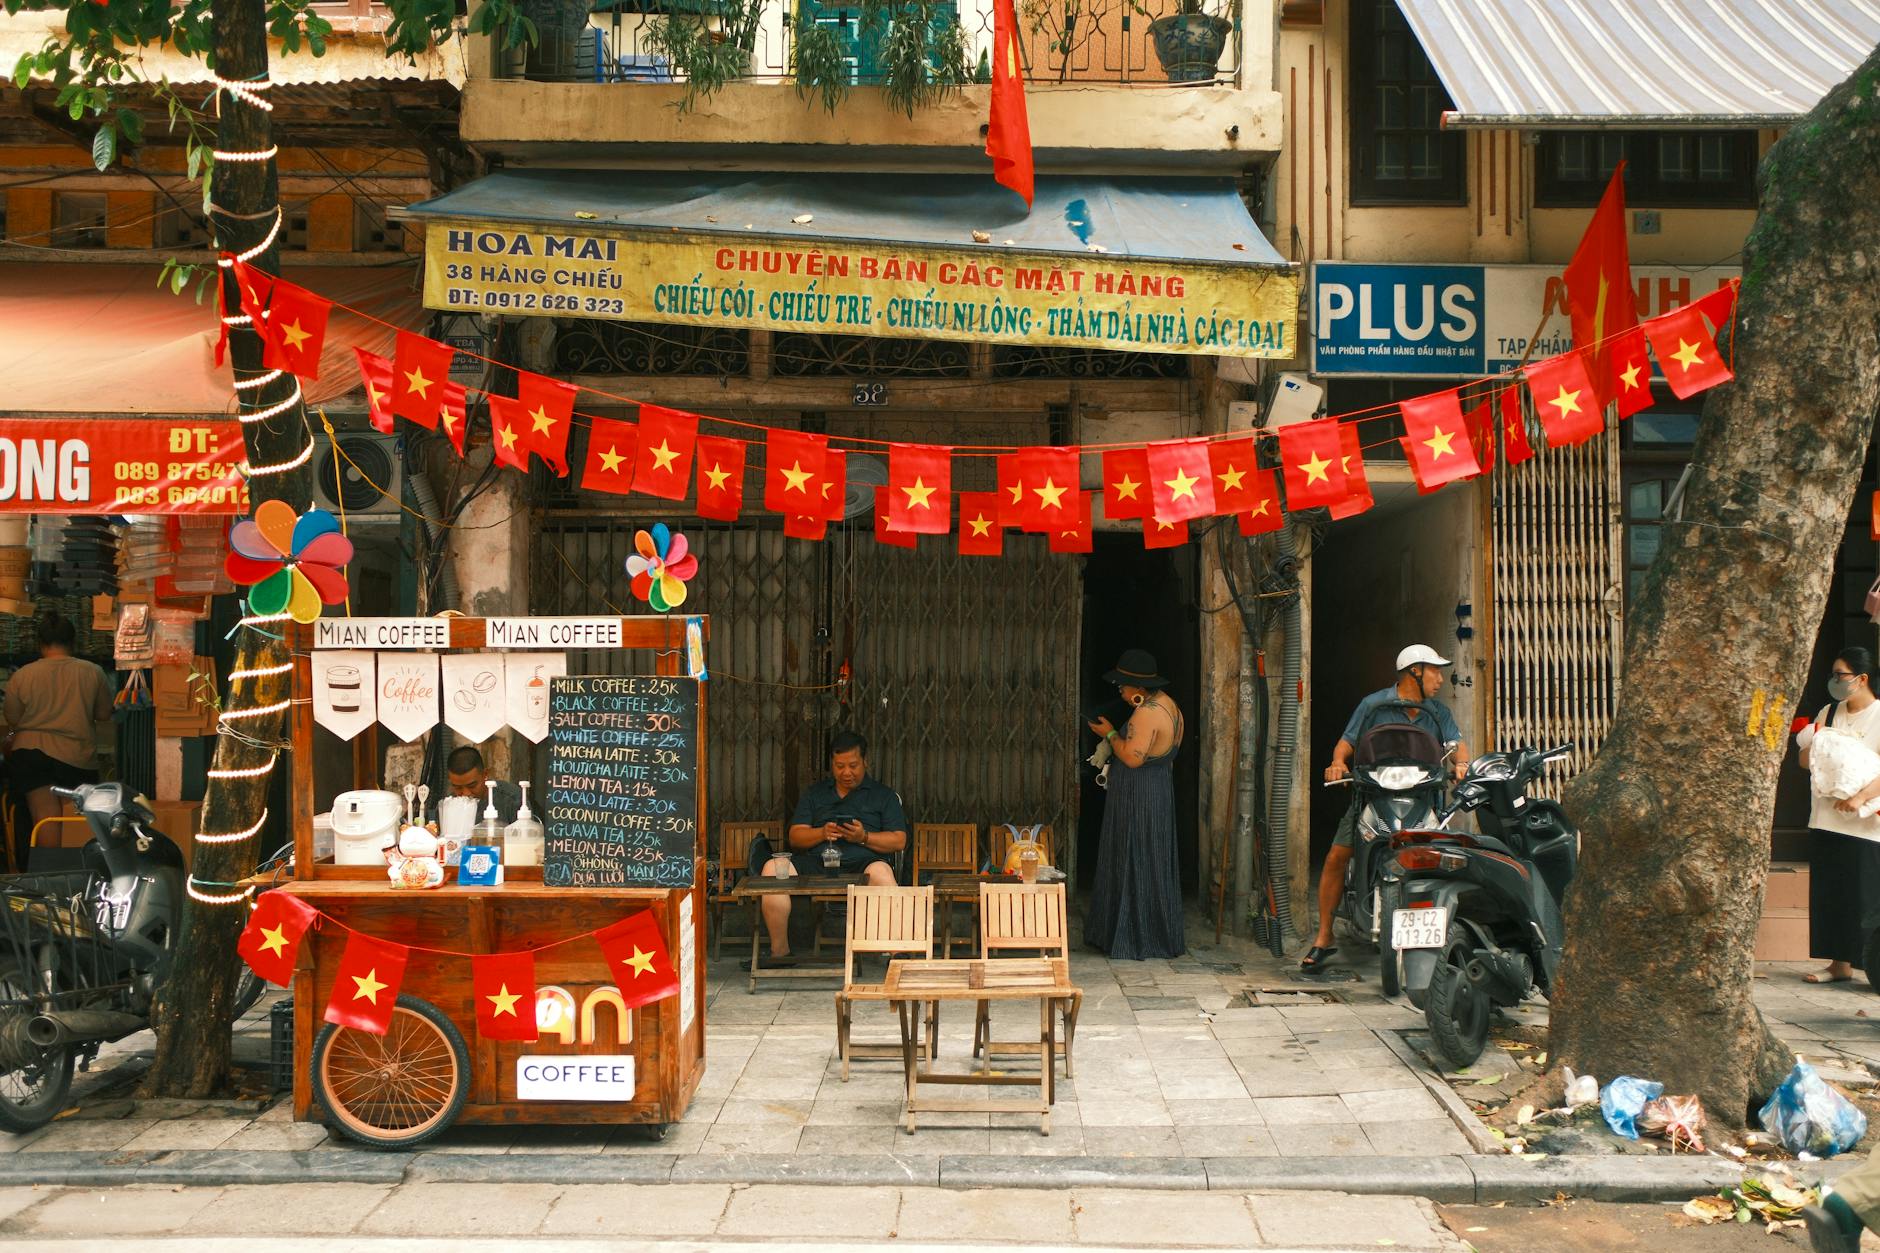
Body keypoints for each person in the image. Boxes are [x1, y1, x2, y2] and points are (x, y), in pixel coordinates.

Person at [1303, 643, 1469, 972]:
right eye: (1434, 671)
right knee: (1337, 856)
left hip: (1423, 800)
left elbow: (1458, 747)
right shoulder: (1374, 706)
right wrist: (1338, 763)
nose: (1440, 678)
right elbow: (1346, 743)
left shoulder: (1439, 712)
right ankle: (1324, 937)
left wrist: (1462, 765)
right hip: (1374, 798)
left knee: (1448, 863)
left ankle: (1449, 939)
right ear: (1414, 672)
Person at [746, 731, 907, 969]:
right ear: (832, 764)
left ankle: (896, 953)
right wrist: (821, 833)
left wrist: (863, 837)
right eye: (839, 766)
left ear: (865, 762)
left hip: (862, 863)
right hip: (816, 861)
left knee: (883, 873)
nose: (846, 772)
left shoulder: (883, 795)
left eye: (853, 765)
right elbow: (795, 836)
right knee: (771, 868)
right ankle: (780, 952)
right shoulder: (816, 793)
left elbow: (899, 841)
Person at [1083, 649, 1185, 960]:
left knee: (1133, 856)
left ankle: (1133, 938)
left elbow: (1131, 757)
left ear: (1137, 689)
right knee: (1152, 857)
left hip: (1139, 794)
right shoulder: (1170, 705)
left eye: (1123, 687)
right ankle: (1155, 932)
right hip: (1158, 790)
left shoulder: (1147, 713)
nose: (1121, 692)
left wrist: (1109, 733)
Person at [1, 613, 114, 870]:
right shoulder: (92, 672)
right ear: (73, 642)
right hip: (77, 757)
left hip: (31, 755)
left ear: (40, 643)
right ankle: (77, 878)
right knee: (76, 821)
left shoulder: (22, 676)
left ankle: (47, 882)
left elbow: (13, 718)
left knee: (46, 818)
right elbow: (103, 714)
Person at [1794, 647, 1880, 984]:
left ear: (1861, 679)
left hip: (1865, 820)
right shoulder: (1828, 713)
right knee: (1831, 891)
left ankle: (1870, 968)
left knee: (1866, 897)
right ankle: (1838, 964)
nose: (1834, 681)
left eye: (1840, 675)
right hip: (1826, 816)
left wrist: (1859, 795)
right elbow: (1806, 758)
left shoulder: (1878, 716)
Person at [439, 745, 522, 824]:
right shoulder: (447, 805)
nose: (465, 794)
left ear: (485, 774)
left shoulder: (511, 799)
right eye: (458, 788)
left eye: (472, 786)